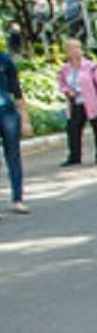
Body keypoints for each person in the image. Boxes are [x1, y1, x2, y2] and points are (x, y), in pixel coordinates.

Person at [57, 37, 97, 166]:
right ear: (66, 51)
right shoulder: (65, 69)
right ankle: (74, 156)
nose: (76, 51)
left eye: (78, 47)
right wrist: (67, 90)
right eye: (72, 48)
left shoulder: (91, 67)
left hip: (93, 103)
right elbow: (62, 83)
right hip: (76, 102)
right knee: (73, 130)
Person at [0, 46, 33, 217]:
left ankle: (17, 199)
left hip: (7, 112)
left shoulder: (5, 60)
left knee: (13, 155)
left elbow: (17, 92)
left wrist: (25, 120)